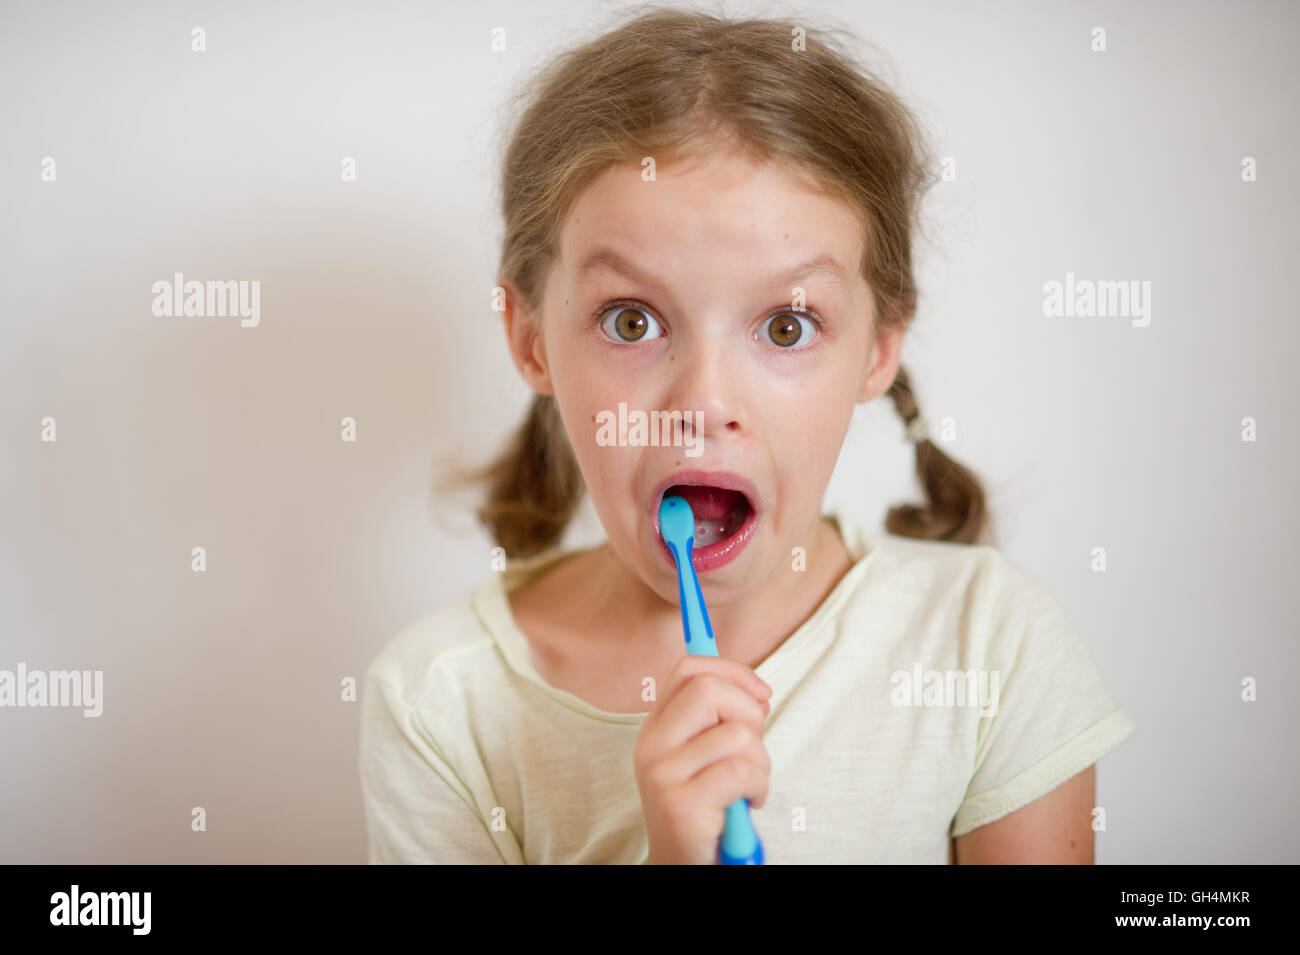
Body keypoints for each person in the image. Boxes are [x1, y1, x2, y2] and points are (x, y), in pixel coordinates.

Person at [359, 6, 1136, 864]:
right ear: (531, 338)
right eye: (631, 320)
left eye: (787, 327)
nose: (705, 401)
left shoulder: (987, 643)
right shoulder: (440, 699)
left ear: (878, 352)